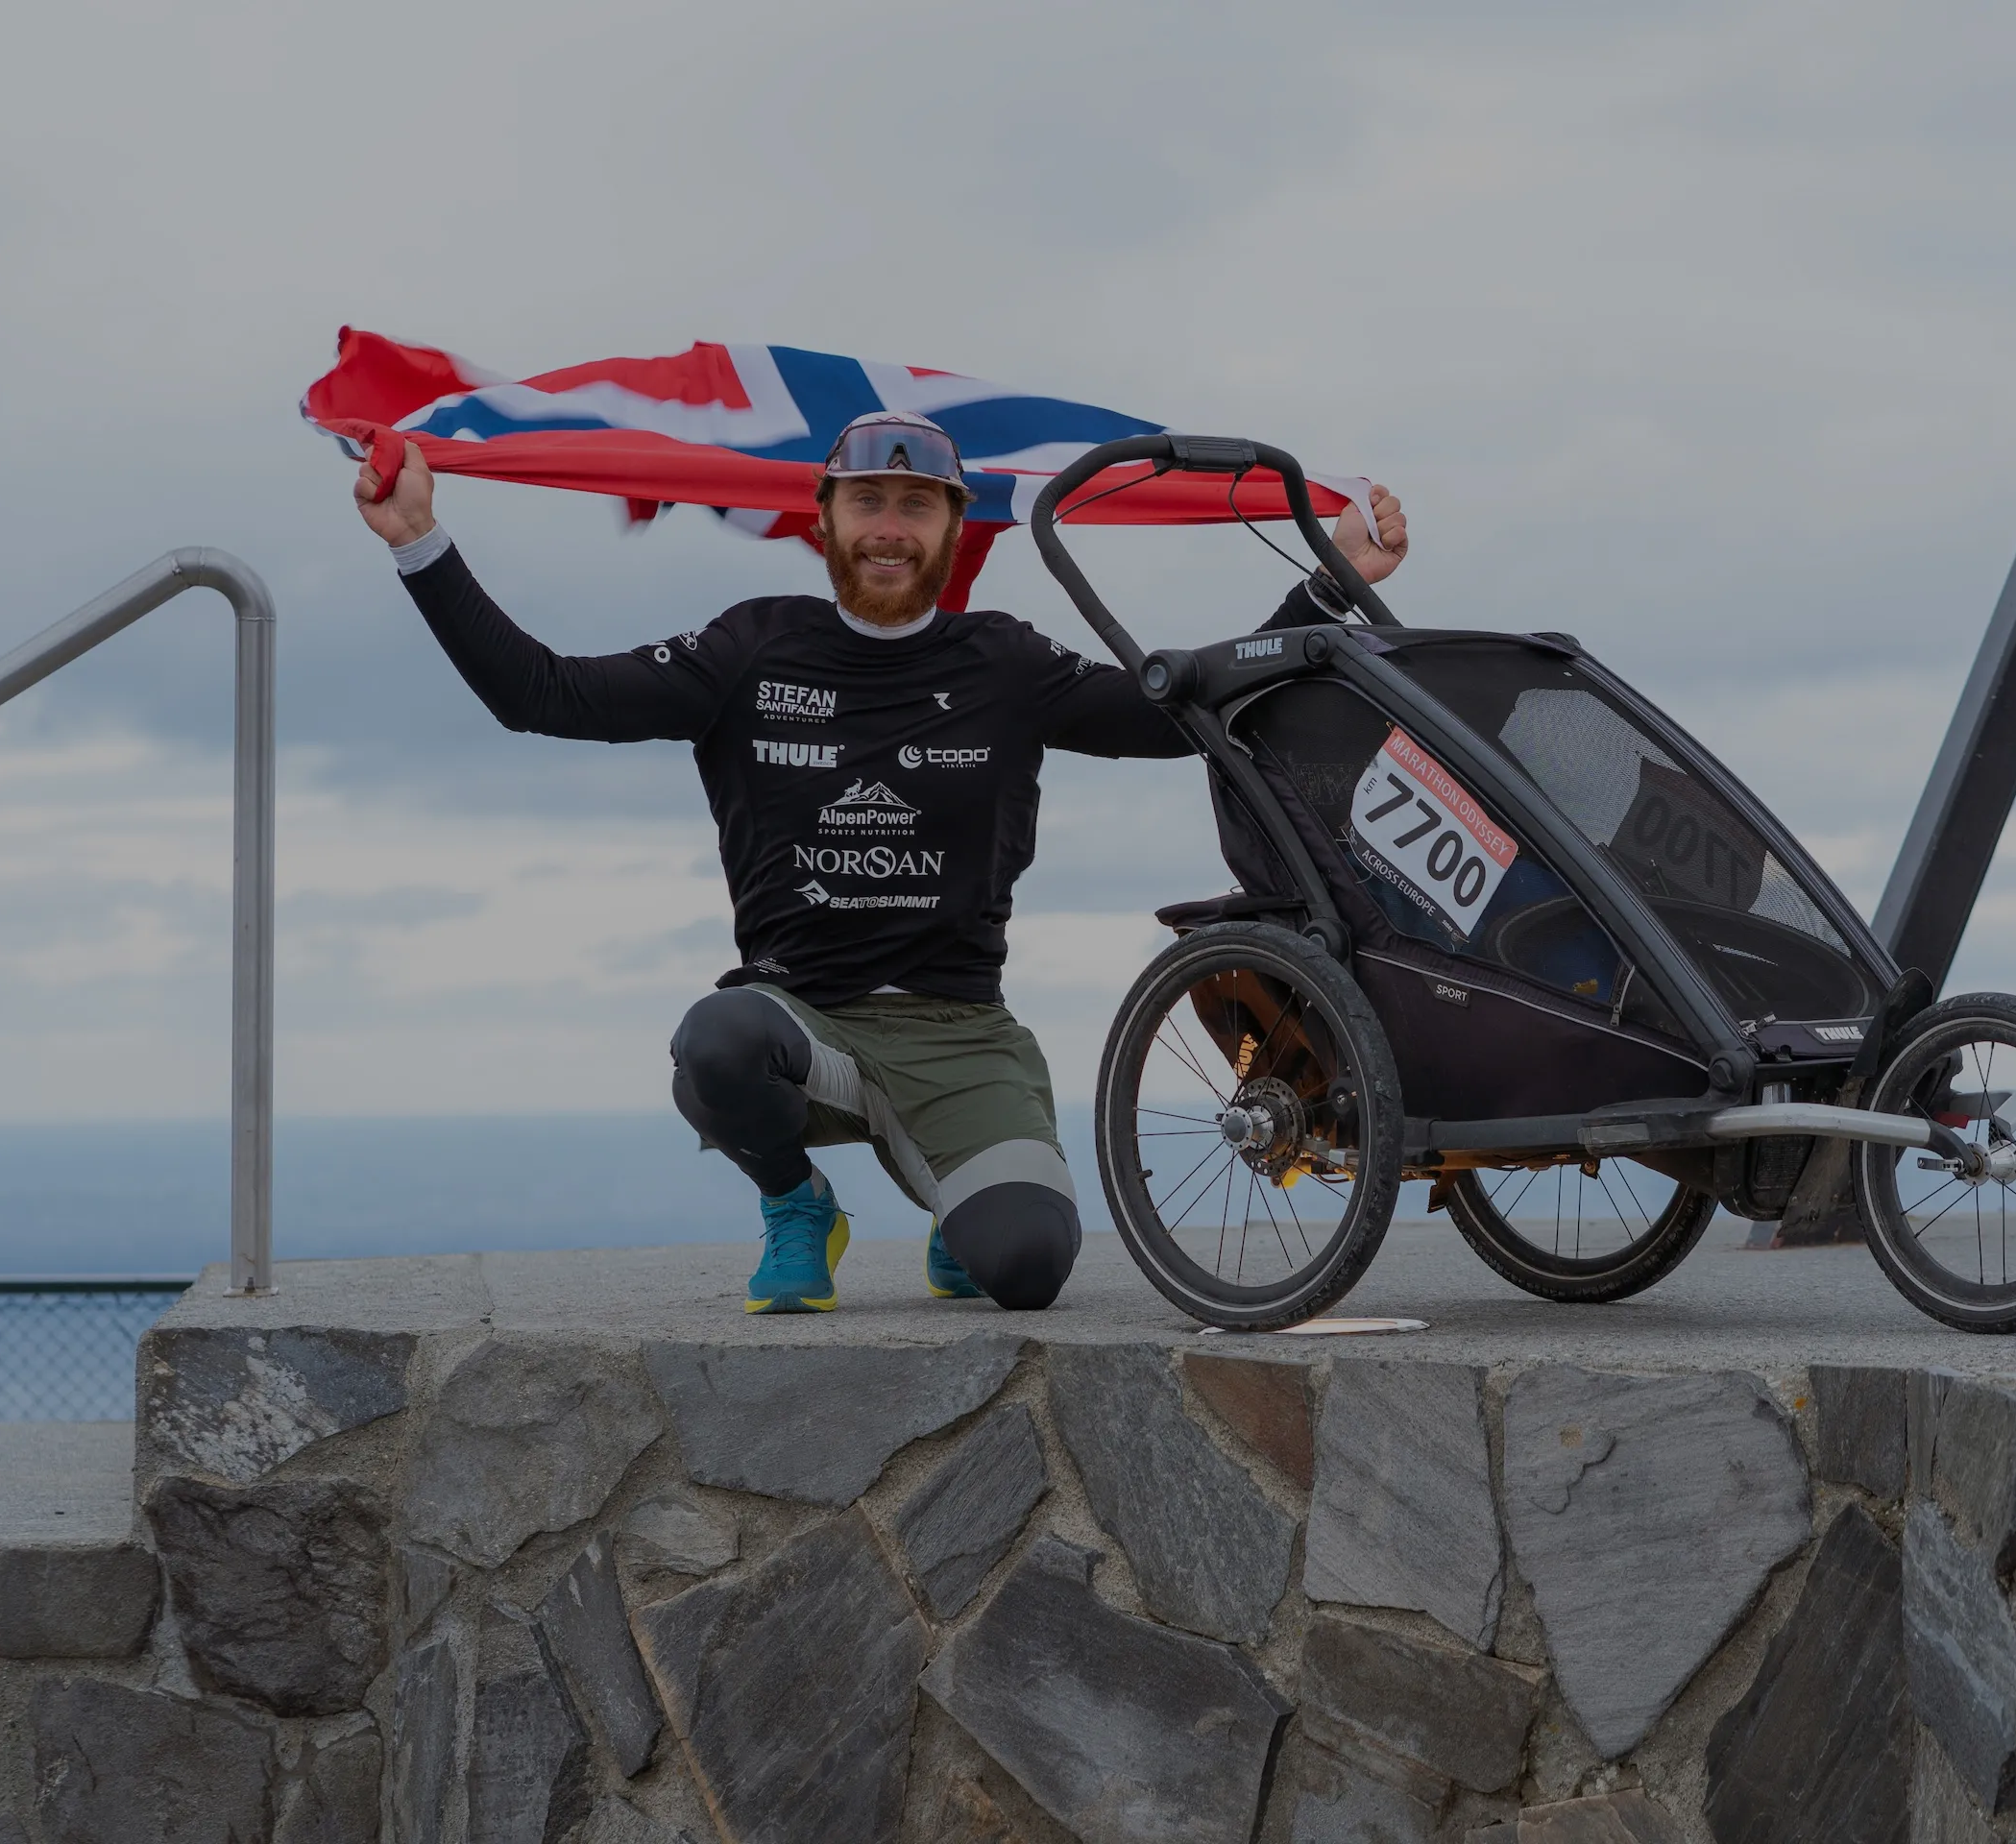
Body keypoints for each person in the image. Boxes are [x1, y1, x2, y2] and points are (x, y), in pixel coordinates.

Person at [354, 410, 1407, 1313]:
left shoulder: (1004, 661)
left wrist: (1329, 585)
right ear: (824, 519)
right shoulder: (751, 649)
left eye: (916, 506)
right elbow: (542, 694)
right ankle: (796, 1203)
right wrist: (418, 543)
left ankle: (954, 1195)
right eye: (867, 504)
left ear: (956, 528)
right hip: (800, 1023)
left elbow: (1178, 716)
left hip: (960, 1034)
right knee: (716, 1043)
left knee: (1028, 1270)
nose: (889, 531)